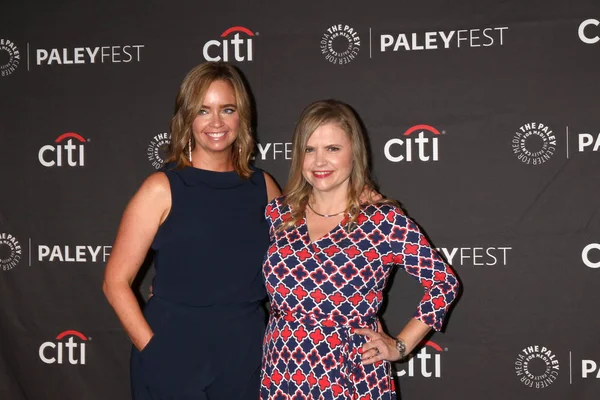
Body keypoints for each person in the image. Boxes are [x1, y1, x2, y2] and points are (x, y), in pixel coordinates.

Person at [103, 62, 281, 400]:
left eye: (227, 109)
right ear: (188, 119)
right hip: (173, 348)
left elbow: (306, 257)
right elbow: (114, 282)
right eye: (203, 110)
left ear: (241, 116)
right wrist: (154, 352)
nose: (216, 122)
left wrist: (356, 197)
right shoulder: (162, 188)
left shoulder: (264, 187)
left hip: (245, 353)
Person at [260, 100, 460, 399]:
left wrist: (401, 345)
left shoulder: (382, 221)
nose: (319, 162)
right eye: (309, 149)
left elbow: (443, 284)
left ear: (354, 152)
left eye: (332, 149)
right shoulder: (279, 214)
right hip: (283, 369)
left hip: (349, 373)